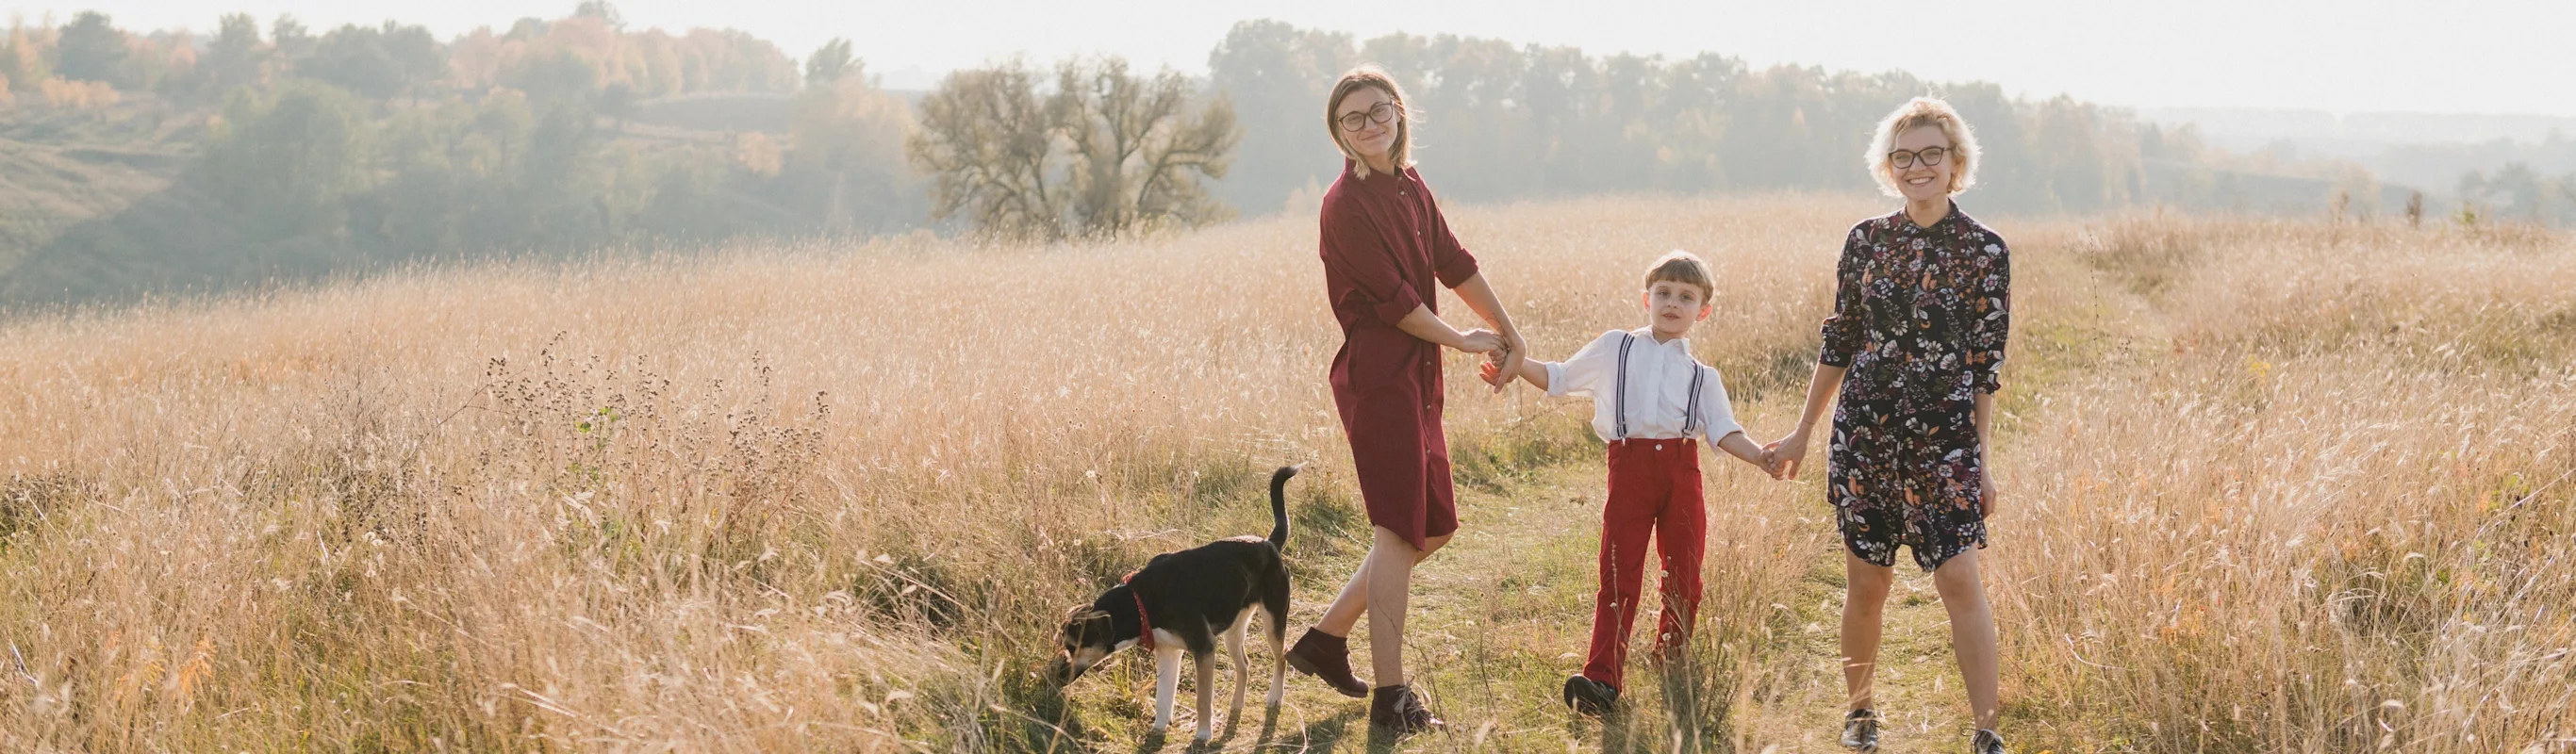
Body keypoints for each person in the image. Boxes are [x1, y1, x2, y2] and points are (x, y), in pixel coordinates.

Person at [1763, 96, 2015, 754]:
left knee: (1959, 577)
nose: (1917, 166)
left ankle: (1986, 731)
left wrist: (1983, 461)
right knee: (1867, 582)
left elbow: (1986, 365)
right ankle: (1860, 714)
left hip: (1946, 440)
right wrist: (1801, 432)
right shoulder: (1866, 242)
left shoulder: (1985, 250)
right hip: (1866, 435)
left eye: (1931, 153)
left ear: (1956, 162)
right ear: (1889, 167)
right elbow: (1839, 341)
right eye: (1904, 156)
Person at [1285, 64, 1526, 735]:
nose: (1368, 125)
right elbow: (1399, 304)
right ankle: (1391, 700)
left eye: (1377, 110)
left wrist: (1511, 333)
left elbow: (1454, 261)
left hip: (1419, 381)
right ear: (1337, 132)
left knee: (1436, 528)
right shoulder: (1344, 205)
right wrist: (1465, 339)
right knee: (1397, 532)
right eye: (1351, 118)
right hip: (1380, 379)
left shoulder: (1412, 185)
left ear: (1398, 111)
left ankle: (1325, 640)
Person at [1480, 251, 1775, 716]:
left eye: (1685, 296)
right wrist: (1516, 364)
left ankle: (1671, 661)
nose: (1672, 303)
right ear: (1646, 298)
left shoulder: (1703, 377)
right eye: (1663, 293)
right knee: (1618, 573)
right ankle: (1602, 679)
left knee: (1684, 575)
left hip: (1683, 472)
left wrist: (1761, 456)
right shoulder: (1615, 348)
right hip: (1629, 468)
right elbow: (1558, 377)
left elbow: (1723, 431)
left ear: (1703, 310)